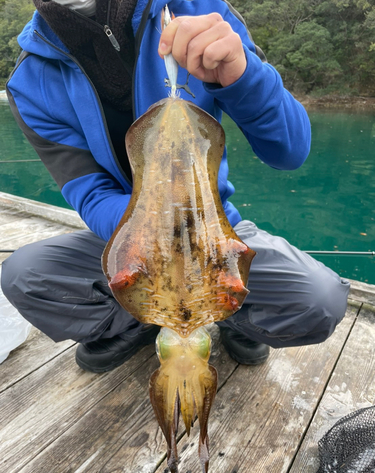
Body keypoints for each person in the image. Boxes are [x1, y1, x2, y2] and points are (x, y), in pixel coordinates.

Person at [1, 0, 349, 373]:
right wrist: (155, 225)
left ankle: (233, 313)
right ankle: (140, 319)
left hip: (215, 232)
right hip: (127, 241)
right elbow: (91, 194)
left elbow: (290, 150)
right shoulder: (29, 81)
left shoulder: (200, 9)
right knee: (25, 275)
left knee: (319, 301)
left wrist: (242, 75)